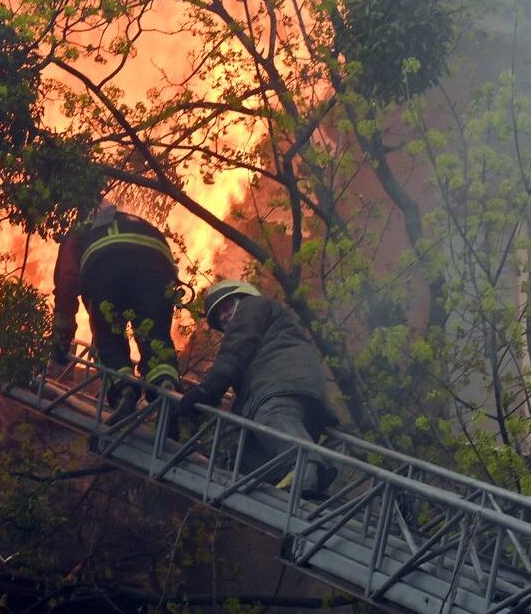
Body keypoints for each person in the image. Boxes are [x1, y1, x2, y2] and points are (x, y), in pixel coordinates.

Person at [179, 280, 339, 499]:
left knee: (273, 416)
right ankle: (306, 480)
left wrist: (205, 392)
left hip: (279, 386)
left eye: (226, 307)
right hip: (296, 394)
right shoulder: (269, 320)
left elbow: (232, 355)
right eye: (218, 317)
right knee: (242, 459)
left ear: (243, 297)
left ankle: (306, 467)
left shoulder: (252, 307)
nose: (224, 316)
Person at [51, 203, 182, 420]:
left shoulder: (79, 232)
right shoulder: (136, 222)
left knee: (109, 339)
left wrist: (61, 342)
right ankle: (165, 387)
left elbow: (67, 283)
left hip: (105, 267)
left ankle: (124, 392)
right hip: (157, 267)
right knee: (155, 337)